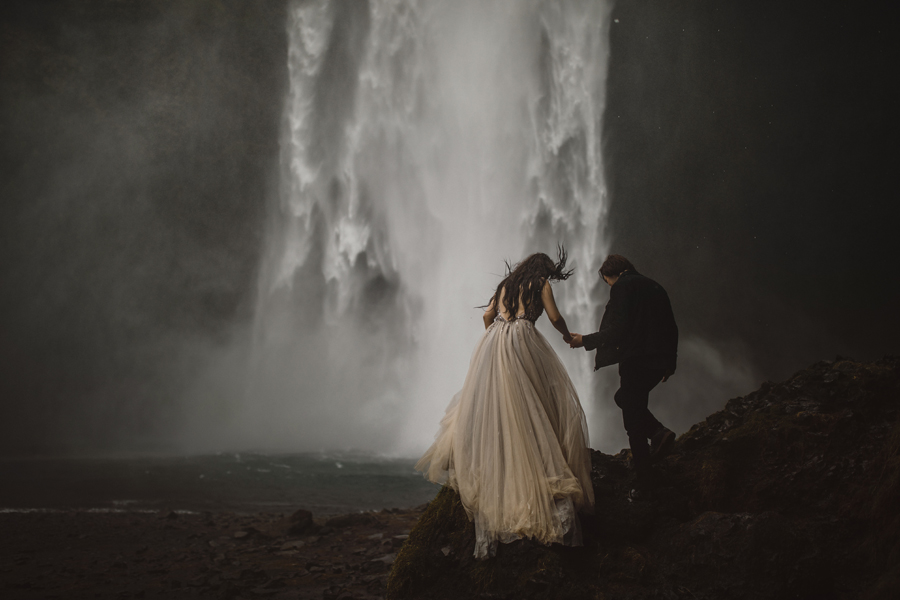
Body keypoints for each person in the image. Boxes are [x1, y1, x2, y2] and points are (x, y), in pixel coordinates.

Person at [416, 248, 594, 559]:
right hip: (523, 339)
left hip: (494, 339)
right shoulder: (540, 284)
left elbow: (487, 315)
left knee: (497, 403)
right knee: (533, 401)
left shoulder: (505, 285)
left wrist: (496, 339)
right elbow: (554, 316)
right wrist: (567, 335)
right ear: (544, 270)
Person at [569, 254, 677, 478]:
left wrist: (585, 341)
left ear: (610, 275)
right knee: (628, 400)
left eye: (606, 281)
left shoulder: (621, 287)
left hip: (637, 360)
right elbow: (672, 326)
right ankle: (658, 435)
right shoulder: (655, 286)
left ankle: (645, 473)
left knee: (632, 418)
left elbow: (619, 330)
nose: (608, 285)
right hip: (659, 361)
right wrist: (670, 362)